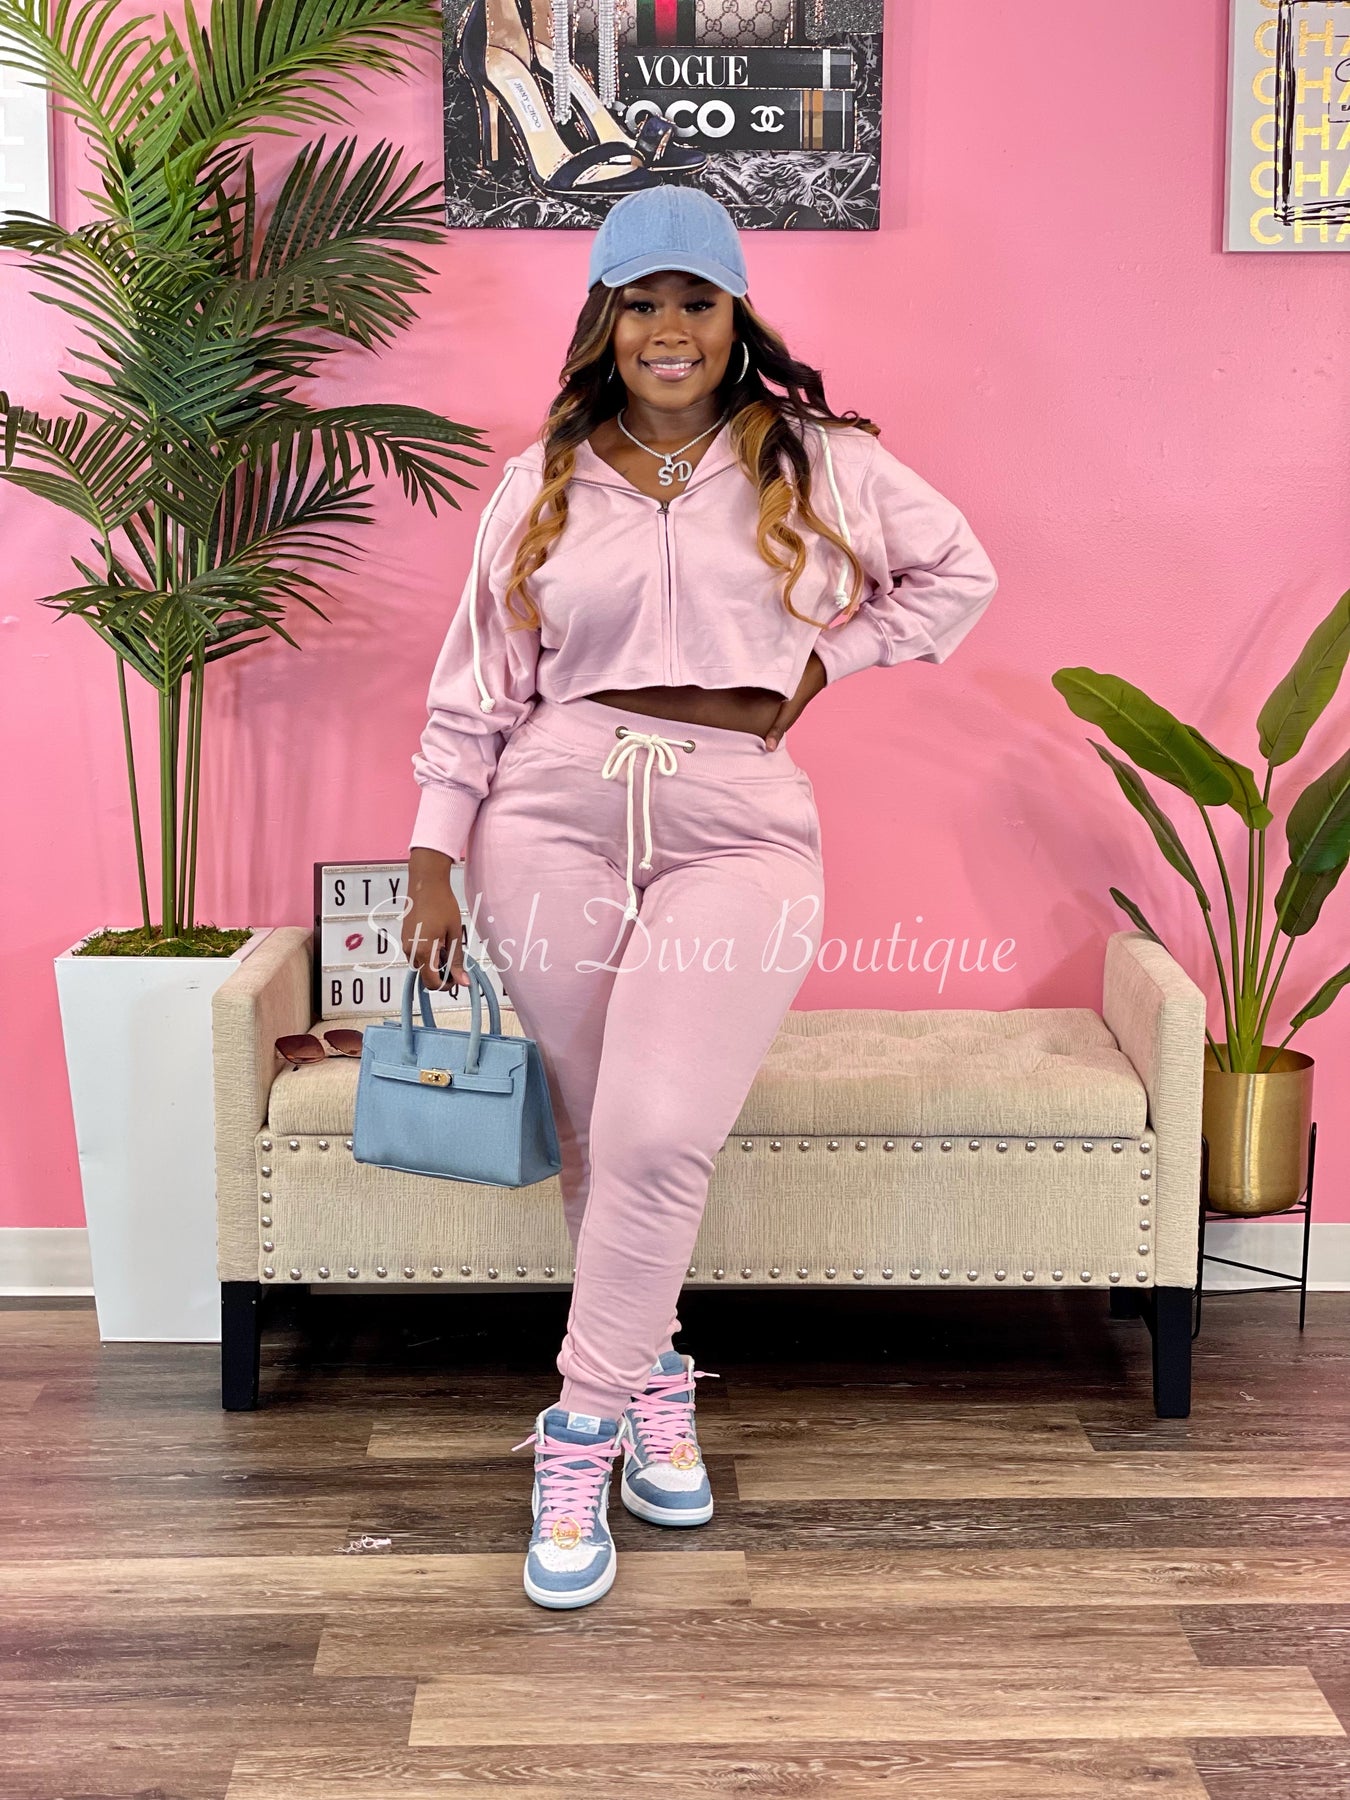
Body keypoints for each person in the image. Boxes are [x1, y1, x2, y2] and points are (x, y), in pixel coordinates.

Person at [400, 184, 998, 1611]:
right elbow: (477, 681)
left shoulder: (821, 460)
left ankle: (575, 1434)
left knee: (660, 1129)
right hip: (548, 810)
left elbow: (957, 575)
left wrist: (828, 661)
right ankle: (655, 1382)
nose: (668, 328)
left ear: (736, 319)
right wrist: (431, 853)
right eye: (640, 302)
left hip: (737, 824)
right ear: (603, 323)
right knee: (601, 1133)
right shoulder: (543, 476)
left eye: (696, 300)